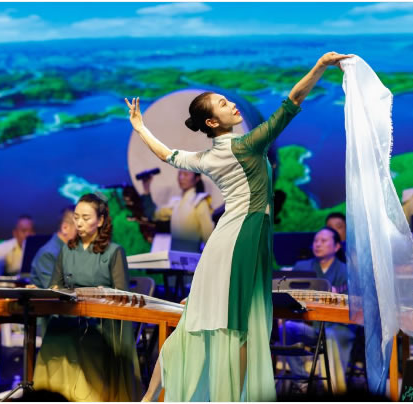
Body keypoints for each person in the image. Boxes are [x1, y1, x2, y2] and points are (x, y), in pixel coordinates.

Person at [126, 51, 353, 402]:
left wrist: (141, 127)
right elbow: (292, 101)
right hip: (241, 241)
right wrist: (320, 66)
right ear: (212, 122)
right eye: (223, 104)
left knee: (197, 326)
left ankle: (151, 398)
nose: (232, 104)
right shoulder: (247, 145)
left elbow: (167, 154)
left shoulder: (206, 157)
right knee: (238, 329)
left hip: (229, 242)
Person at [32, 192, 142, 401]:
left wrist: (101, 294)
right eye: (76, 217)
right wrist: (47, 291)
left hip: (100, 324)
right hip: (70, 318)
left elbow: (123, 297)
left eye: (86, 218)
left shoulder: (114, 252)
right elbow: (55, 286)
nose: (79, 223)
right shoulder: (67, 250)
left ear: (100, 221)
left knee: (78, 339)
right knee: (56, 335)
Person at [285, 227, 355, 380]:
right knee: (288, 327)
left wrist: (337, 297)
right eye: (316, 241)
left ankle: (332, 387)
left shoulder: (347, 271)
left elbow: (355, 304)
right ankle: (301, 380)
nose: (317, 244)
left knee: (329, 335)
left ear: (337, 246)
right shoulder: (302, 267)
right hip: (311, 326)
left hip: (337, 328)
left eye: (323, 241)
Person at [141, 169, 214, 252]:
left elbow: (209, 238)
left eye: (186, 174)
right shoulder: (176, 203)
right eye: (180, 174)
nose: (181, 177)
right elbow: (153, 214)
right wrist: (146, 188)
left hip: (191, 257)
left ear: (197, 178)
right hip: (174, 256)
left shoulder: (200, 202)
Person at [30, 206, 76, 289]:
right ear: (65, 228)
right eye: (78, 230)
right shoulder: (48, 253)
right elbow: (55, 290)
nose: (83, 234)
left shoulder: (70, 250)